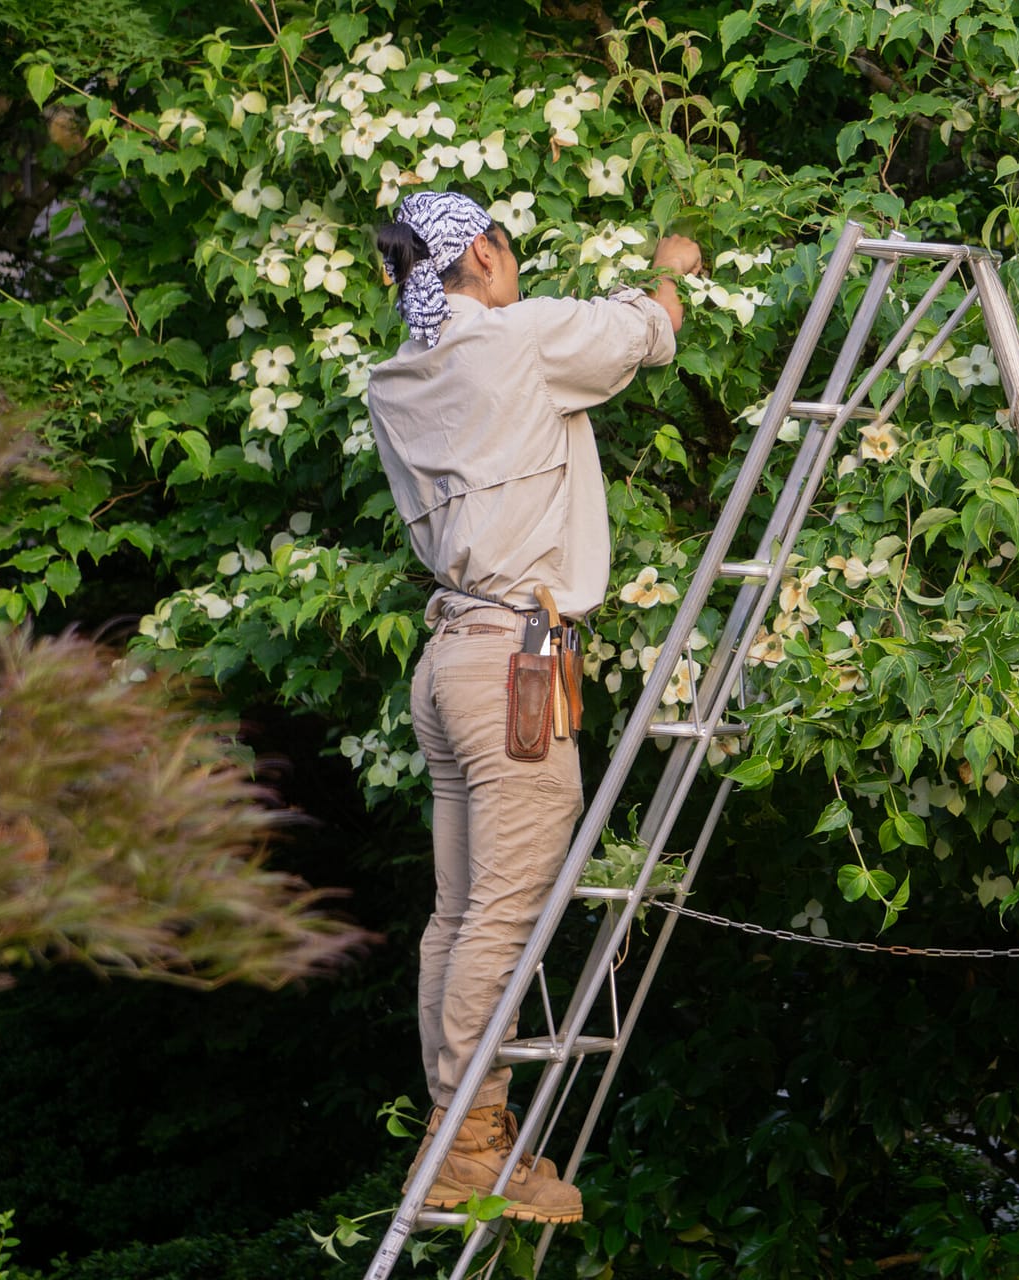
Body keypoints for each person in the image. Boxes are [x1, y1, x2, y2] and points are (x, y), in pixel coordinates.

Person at [367, 189, 701, 1223]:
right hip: (513, 653)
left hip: (451, 657)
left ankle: (456, 1133)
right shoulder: (515, 339)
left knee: (459, 915)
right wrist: (672, 267)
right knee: (502, 915)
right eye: (508, 247)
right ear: (484, 252)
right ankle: (469, 1143)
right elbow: (651, 333)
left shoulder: (398, 375)